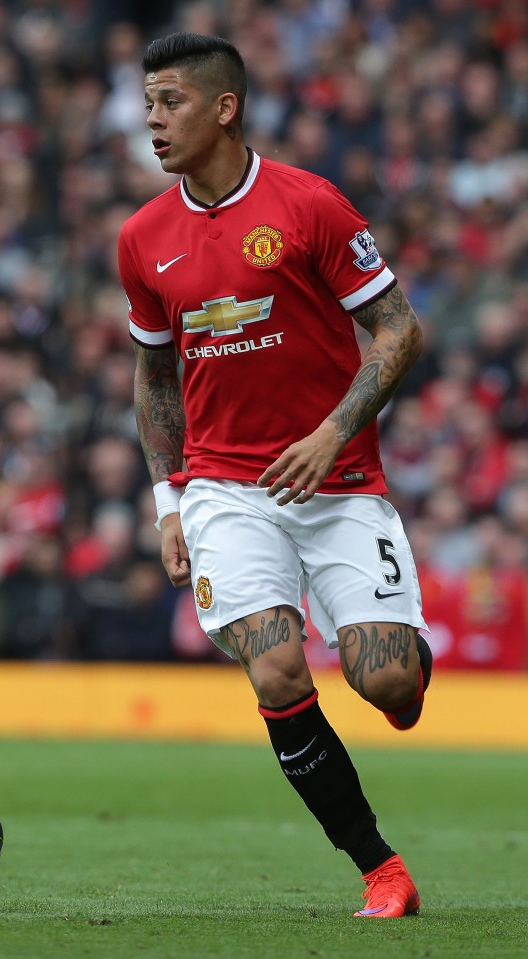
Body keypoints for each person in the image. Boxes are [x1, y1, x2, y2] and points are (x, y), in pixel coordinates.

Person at [118, 32, 433, 919]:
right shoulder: (143, 238)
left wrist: (333, 433)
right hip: (224, 491)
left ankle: (405, 663)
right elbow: (153, 374)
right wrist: (168, 501)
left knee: (388, 685)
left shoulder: (309, 205)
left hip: (336, 483)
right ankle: (381, 868)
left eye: (170, 100)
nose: (152, 118)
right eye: (146, 102)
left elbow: (400, 329)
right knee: (280, 675)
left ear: (224, 108)